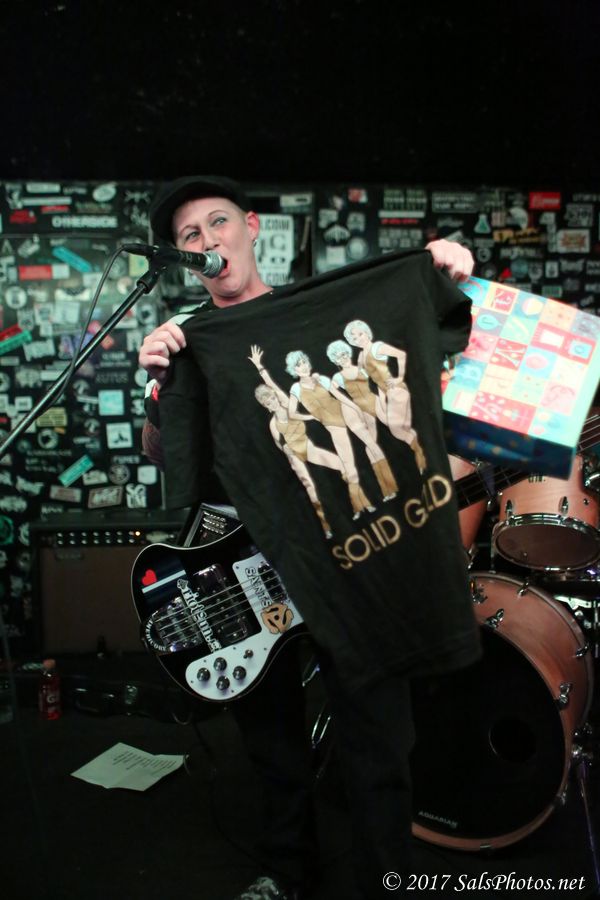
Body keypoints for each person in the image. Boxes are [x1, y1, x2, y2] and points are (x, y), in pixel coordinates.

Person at [139, 175, 479, 900]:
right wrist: (160, 384)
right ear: (180, 256)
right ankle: (289, 873)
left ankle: (385, 876)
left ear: (252, 227)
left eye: (218, 223)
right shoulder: (189, 343)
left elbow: (420, 333)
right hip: (245, 560)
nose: (207, 241)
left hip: (345, 554)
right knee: (271, 740)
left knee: (377, 730)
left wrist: (441, 269)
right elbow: (166, 456)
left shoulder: (319, 314)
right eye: (190, 236)